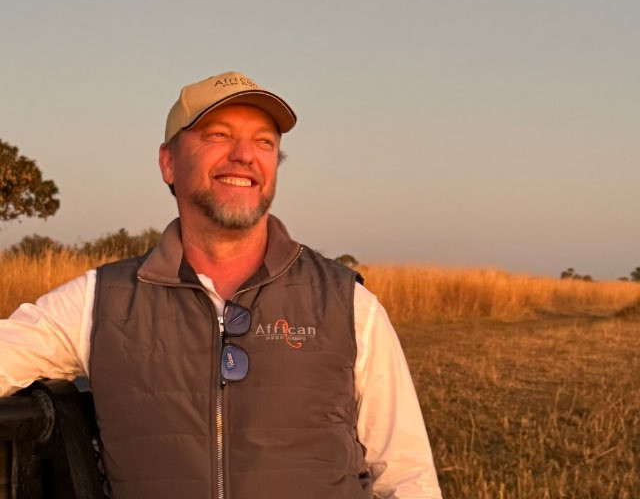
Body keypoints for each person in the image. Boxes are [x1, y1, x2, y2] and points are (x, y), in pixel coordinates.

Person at [0, 72, 442, 499]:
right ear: (168, 162)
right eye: (218, 135)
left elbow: (408, 480)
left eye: (264, 142)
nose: (245, 155)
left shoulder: (348, 305)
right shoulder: (100, 301)